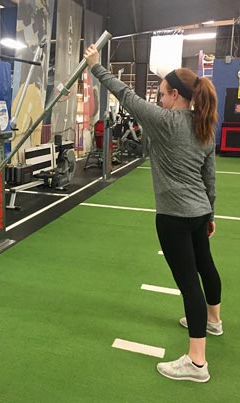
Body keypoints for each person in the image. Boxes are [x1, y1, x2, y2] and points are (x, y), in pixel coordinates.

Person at [84, 44, 222, 383]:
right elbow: (210, 178)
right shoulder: (204, 125)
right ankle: (214, 321)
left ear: (175, 95)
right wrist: (211, 214)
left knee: (189, 281)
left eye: (161, 94)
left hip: (174, 216)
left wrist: (96, 67)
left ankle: (197, 363)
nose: (158, 100)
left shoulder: (164, 120)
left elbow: (126, 95)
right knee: (204, 266)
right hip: (200, 212)